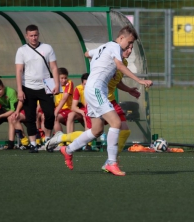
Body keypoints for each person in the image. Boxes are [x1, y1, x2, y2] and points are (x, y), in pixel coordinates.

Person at [59, 25, 153, 176]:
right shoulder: (115, 46)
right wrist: (139, 80)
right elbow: (119, 65)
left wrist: (96, 58)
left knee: (97, 130)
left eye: (131, 45)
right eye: (129, 43)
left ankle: (68, 149)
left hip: (93, 89)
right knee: (116, 123)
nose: (129, 47)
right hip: (96, 89)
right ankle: (111, 162)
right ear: (121, 38)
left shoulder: (106, 47)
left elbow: (86, 53)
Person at [46, 48, 141, 159]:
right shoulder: (110, 59)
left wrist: (129, 89)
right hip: (97, 100)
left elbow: (117, 82)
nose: (129, 50)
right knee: (93, 133)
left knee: (124, 130)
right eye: (127, 47)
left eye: (131, 47)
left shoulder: (123, 63)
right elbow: (88, 54)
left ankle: (112, 161)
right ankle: (62, 138)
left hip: (111, 101)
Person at [15, 24, 60, 153]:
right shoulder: (21, 50)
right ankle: (33, 143)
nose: (34, 38)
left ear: (38, 35)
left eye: (35, 35)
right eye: (31, 36)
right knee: (30, 116)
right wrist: (20, 89)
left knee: (50, 114)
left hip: (45, 85)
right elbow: (18, 71)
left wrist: (56, 84)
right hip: (28, 86)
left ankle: (47, 140)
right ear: (26, 36)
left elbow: (54, 68)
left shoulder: (47, 48)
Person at [53, 67, 74, 133]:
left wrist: (56, 111)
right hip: (58, 108)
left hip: (68, 109)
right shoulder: (54, 84)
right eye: (61, 78)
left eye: (65, 78)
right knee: (44, 117)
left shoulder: (69, 83)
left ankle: (61, 139)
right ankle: (44, 137)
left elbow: (64, 99)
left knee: (55, 118)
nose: (64, 80)